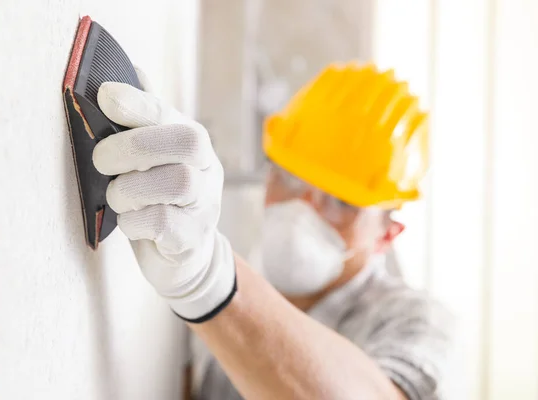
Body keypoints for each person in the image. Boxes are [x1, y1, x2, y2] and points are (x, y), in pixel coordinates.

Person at [92, 63, 454, 400]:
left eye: (341, 202)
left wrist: (211, 285)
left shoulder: (414, 320)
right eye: (291, 180)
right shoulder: (252, 275)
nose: (302, 210)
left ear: (387, 234)